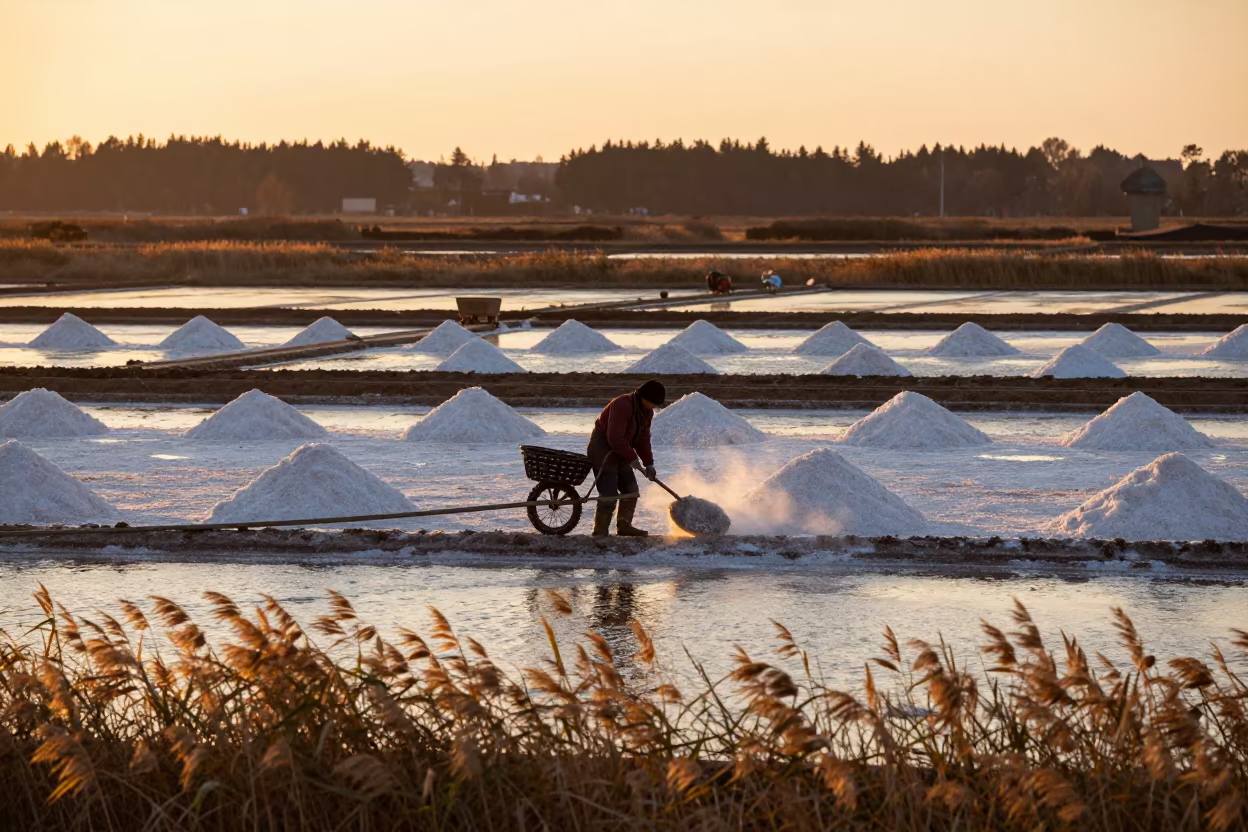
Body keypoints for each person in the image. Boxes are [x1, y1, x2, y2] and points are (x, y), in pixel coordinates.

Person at [586, 379, 665, 537]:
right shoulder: (622, 405)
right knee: (609, 494)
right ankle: (600, 533)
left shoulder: (646, 412)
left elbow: (643, 438)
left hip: (622, 449)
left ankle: (624, 526)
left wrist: (648, 463)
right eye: (653, 403)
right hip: (603, 448)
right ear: (643, 397)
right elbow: (614, 437)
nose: (654, 407)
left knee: (631, 490)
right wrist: (632, 458)